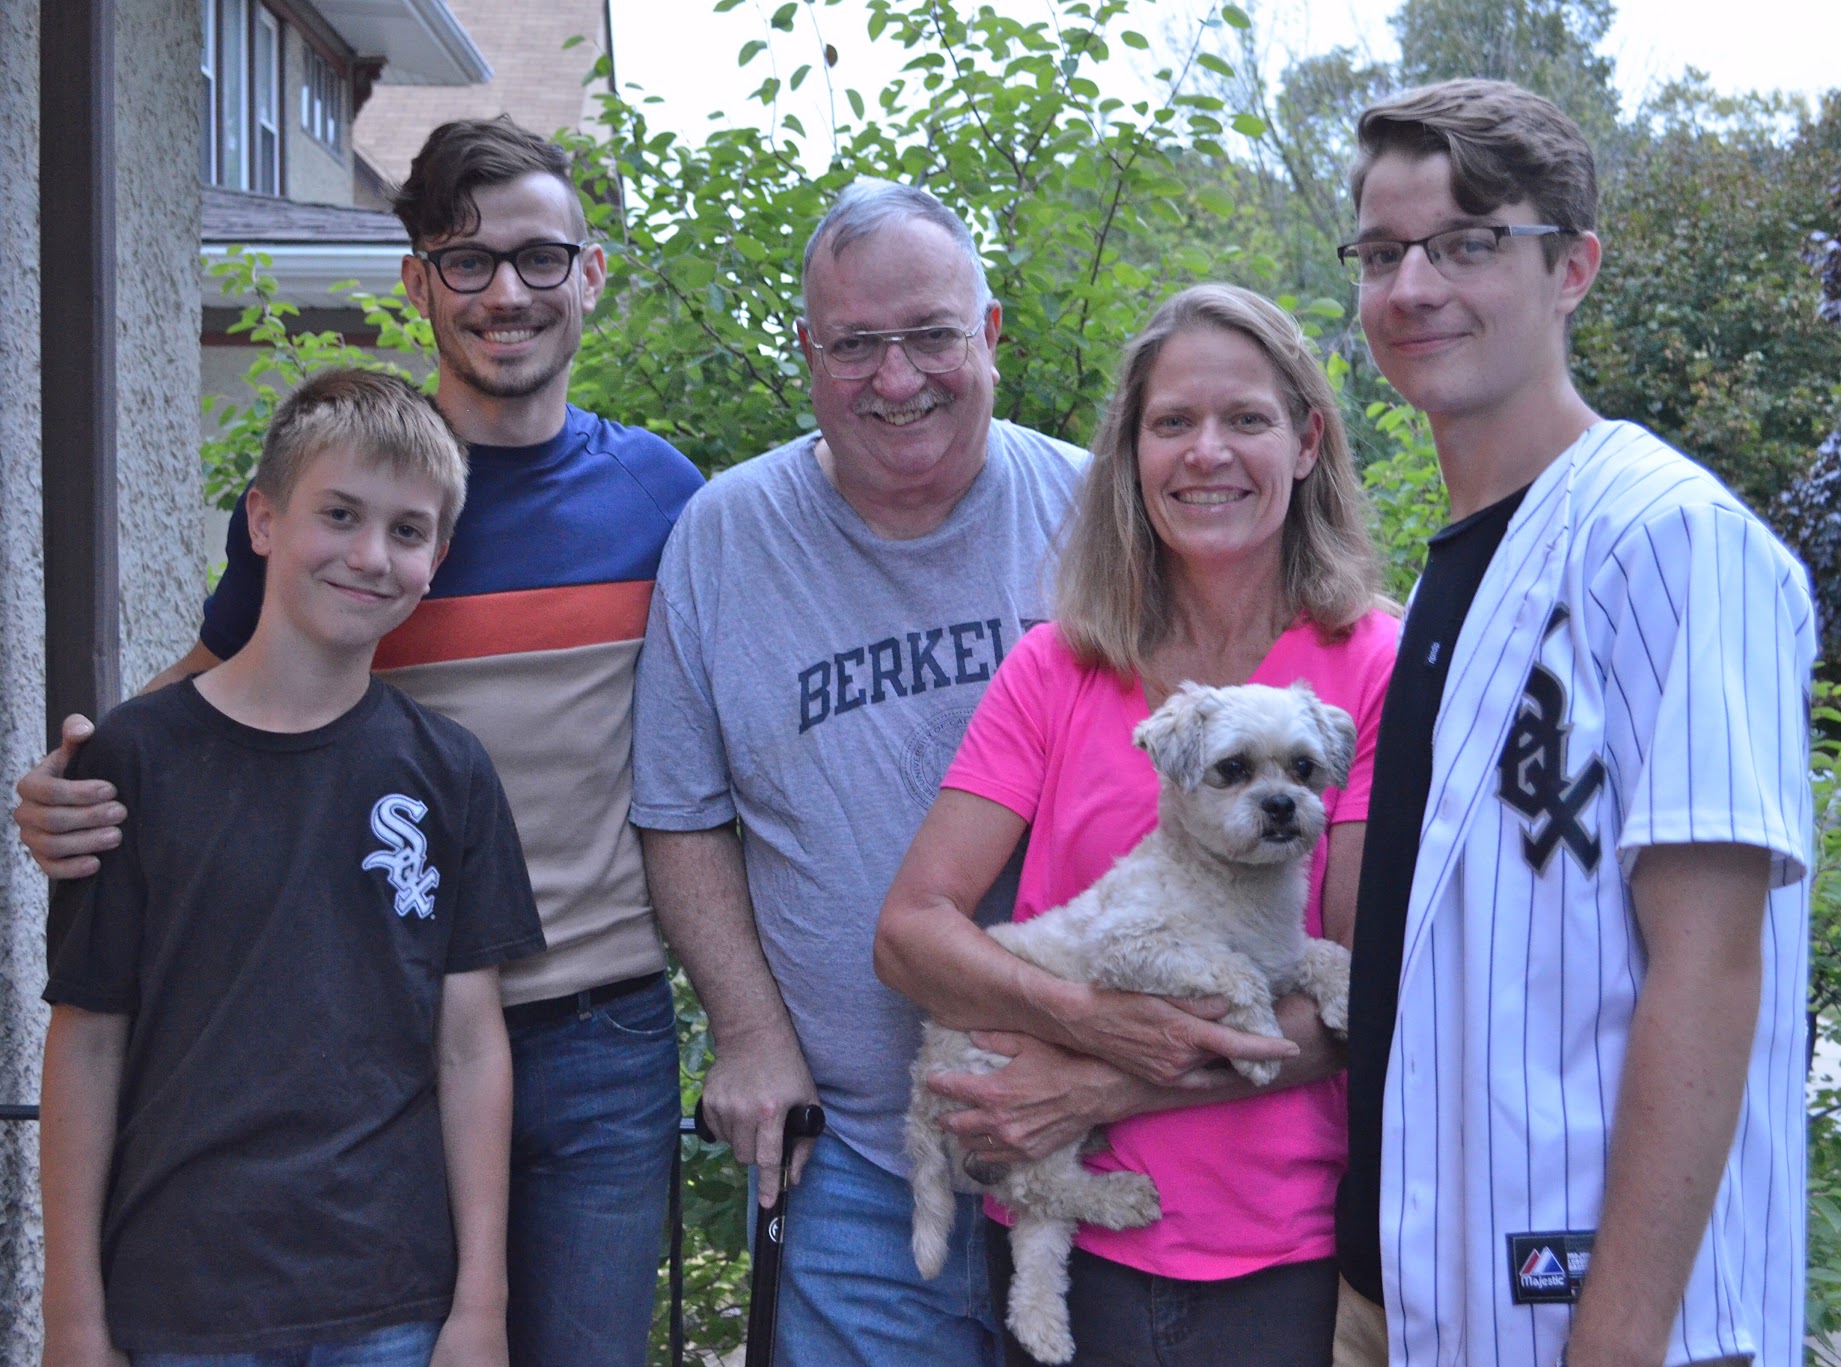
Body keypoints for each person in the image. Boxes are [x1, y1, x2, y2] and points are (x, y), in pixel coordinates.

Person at [16, 118, 704, 1367]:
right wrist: (78, 783)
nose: (507, 293)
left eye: (542, 259)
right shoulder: (363, 500)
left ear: (591, 275)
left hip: (598, 1037)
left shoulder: (667, 500)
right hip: (384, 1042)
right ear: (416, 282)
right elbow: (218, 685)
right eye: (467, 261)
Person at [1329, 79, 1816, 1367]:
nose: (1414, 285)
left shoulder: (1668, 537)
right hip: (1422, 1293)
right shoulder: (1453, 568)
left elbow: (1711, 969)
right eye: (1383, 253)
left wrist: (1618, 1341)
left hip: (1603, 1322)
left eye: (1469, 241)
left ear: (1574, 267)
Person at [630, 178, 1112, 1365]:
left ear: (990, 333)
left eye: (931, 334)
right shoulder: (727, 537)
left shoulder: (1101, 515)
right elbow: (682, 816)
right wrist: (747, 1035)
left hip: (1100, 1124)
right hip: (852, 1155)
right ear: (806, 353)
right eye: (854, 344)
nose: (896, 379)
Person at [874, 283, 1399, 1365]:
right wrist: (1080, 1011)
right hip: (1079, 1252)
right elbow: (911, 930)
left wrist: (1102, 1076)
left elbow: (1358, 989)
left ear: (1306, 441)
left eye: (1244, 418)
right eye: (1172, 422)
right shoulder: (1058, 664)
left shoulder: (1369, 665)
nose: (1206, 451)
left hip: (1287, 1257)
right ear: (1130, 455)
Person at [39, 369, 545, 1367]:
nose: (369, 555)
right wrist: (73, 1315)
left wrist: (479, 1304)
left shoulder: (448, 772)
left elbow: (470, 1045)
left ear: (436, 559)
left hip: (389, 1298)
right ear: (263, 521)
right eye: (340, 514)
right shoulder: (131, 764)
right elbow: (88, 1045)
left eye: (406, 531)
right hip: (176, 1299)